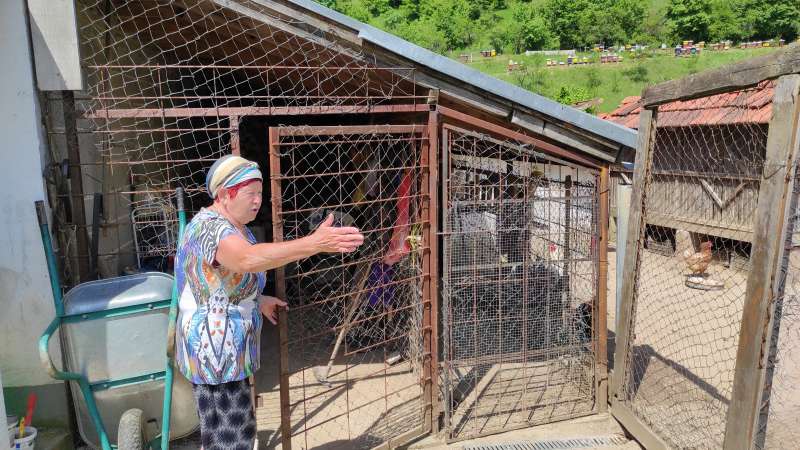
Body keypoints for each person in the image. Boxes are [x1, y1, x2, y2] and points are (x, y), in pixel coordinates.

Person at [174, 155, 364, 449]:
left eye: (260, 193)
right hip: (215, 354)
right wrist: (314, 243)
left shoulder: (236, 227)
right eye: (251, 193)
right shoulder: (209, 227)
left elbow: (219, 278)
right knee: (229, 437)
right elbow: (246, 259)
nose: (258, 201)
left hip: (227, 352)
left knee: (235, 430)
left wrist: (257, 298)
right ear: (226, 194)